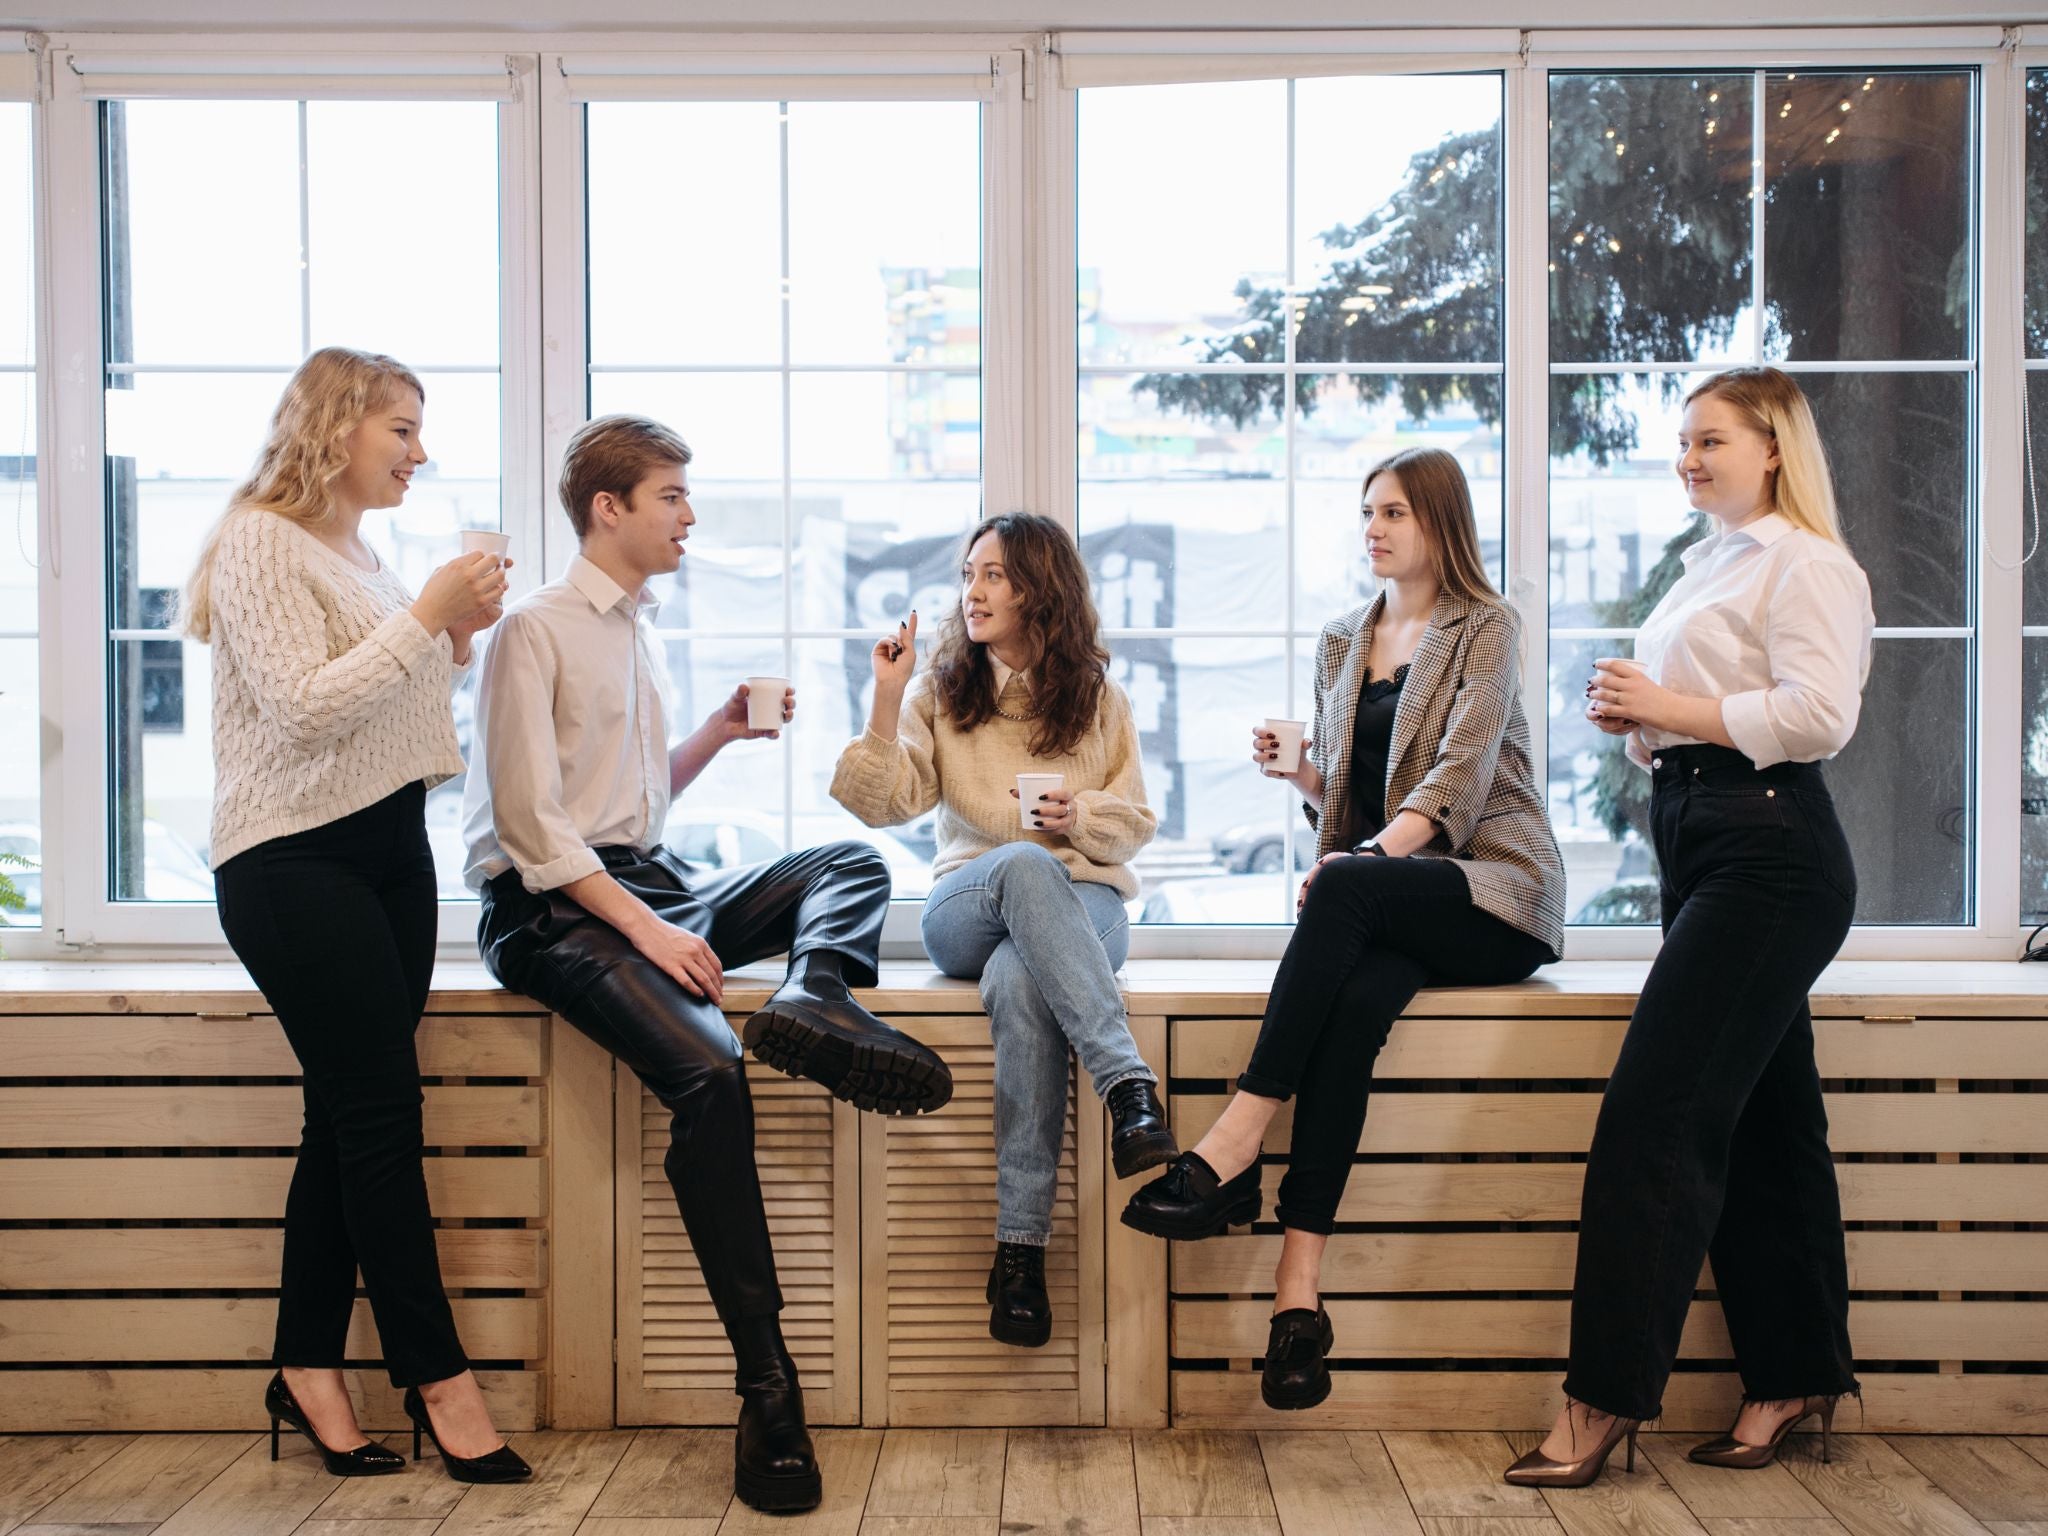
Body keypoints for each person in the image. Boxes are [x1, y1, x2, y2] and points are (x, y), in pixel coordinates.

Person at [464, 413, 953, 1514]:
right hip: (547, 910)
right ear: (609, 508)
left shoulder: (635, 631)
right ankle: (766, 1386)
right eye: (672, 497)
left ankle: (816, 997)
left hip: (642, 877)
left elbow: (623, 807)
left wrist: (714, 738)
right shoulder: (531, 631)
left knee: (846, 861)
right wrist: (651, 933)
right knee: (709, 1074)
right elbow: (536, 831)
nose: (689, 517)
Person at [1121, 447, 1565, 1413]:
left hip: (1494, 891)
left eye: (1395, 511)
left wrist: (1358, 868)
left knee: (1345, 894)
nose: (1374, 527)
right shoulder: (1340, 639)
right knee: (1354, 1004)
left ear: (1440, 521)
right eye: (1368, 510)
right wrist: (1309, 785)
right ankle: (1297, 1304)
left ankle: (1236, 1141)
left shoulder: (1486, 628)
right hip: (1398, 893)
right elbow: (1359, 809)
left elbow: (1457, 781)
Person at [1509, 366, 1871, 1487]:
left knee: (1653, 1117)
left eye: (1708, 439)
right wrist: (1640, 727)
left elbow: (1819, 717)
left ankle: (1599, 1403)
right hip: (1703, 833)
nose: (1686, 458)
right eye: (1680, 442)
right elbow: (1705, 713)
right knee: (1765, 1125)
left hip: (1770, 855)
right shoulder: (1705, 564)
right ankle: (1792, 1374)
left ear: (1772, 447)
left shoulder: (1807, 564)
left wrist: (1664, 708)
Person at [188, 347, 528, 1483]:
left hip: (388, 852)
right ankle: (440, 1382)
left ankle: (306, 1369)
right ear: (335, 428)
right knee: (380, 1119)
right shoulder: (256, 542)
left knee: (343, 1123)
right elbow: (300, 714)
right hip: (291, 864)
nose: (419, 453)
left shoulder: (363, 554)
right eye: (402, 430)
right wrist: (424, 615)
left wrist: (452, 631)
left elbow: (390, 703)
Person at [831, 512, 1176, 1349]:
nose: (972, 592)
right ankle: (1128, 1084)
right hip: (968, 906)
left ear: (1039, 589)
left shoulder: (1100, 698)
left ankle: (1018, 1256)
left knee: (1024, 981)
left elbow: (1134, 824)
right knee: (1025, 865)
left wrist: (1080, 811)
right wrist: (884, 695)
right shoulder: (941, 692)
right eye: (968, 575)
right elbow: (884, 803)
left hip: (1083, 905)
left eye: (993, 575)